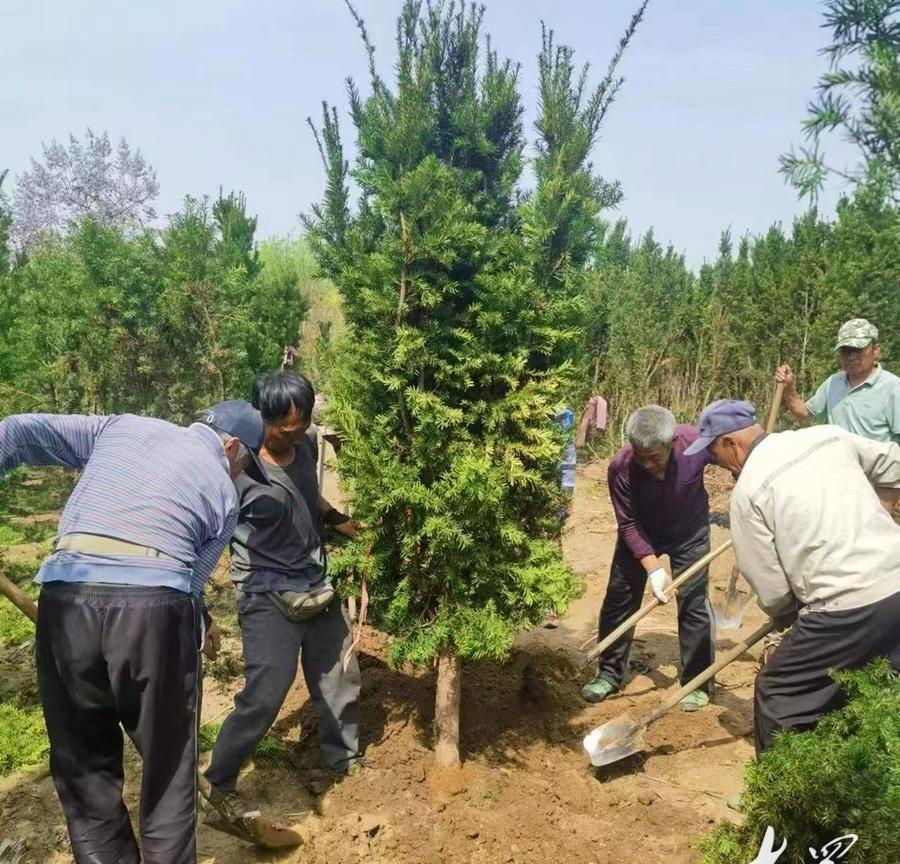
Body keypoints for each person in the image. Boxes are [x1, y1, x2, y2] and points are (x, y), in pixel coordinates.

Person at [0, 402, 263, 864]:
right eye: (244, 465)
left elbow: (20, 432)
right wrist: (196, 628)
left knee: (85, 769)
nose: (240, 474)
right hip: (154, 612)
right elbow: (190, 587)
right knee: (168, 770)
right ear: (232, 445)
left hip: (67, 597)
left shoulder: (120, 427)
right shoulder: (225, 493)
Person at [684, 399, 900, 753]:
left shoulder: (748, 490)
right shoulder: (828, 437)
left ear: (730, 444)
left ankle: (783, 799)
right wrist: (883, 508)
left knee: (779, 691)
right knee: (878, 684)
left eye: (717, 459)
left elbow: (770, 591)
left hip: (844, 607)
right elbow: (893, 462)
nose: (723, 468)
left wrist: (789, 616)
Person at [203, 371, 362, 838]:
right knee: (266, 691)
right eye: (283, 427)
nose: (294, 433)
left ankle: (345, 762)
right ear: (261, 418)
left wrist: (339, 521)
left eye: (302, 423)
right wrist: (201, 610)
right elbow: (207, 535)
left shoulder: (308, 443)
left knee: (340, 675)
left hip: (315, 581)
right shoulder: (236, 465)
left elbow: (309, 497)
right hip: (265, 591)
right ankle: (221, 780)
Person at [582, 405, 715, 711]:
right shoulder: (621, 467)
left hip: (690, 533)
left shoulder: (695, 442)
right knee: (620, 599)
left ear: (672, 443)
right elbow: (627, 523)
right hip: (640, 534)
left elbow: (730, 452)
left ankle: (698, 681)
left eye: (655, 456)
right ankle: (609, 674)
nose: (648, 464)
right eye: (641, 456)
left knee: (694, 603)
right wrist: (653, 567)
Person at [775, 317, 900, 448]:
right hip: (838, 465)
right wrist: (789, 387)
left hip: (875, 468)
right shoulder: (834, 382)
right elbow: (804, 413)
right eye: (845, 351)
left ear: (876, 350)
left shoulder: (893, 388)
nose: (851, 357)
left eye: (858, 350)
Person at [545, 405, 577, 628]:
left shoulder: (562, 414)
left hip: (552, 490)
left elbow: (568, 459)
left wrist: (567, 496)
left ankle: (551, 604)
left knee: (551, 541)